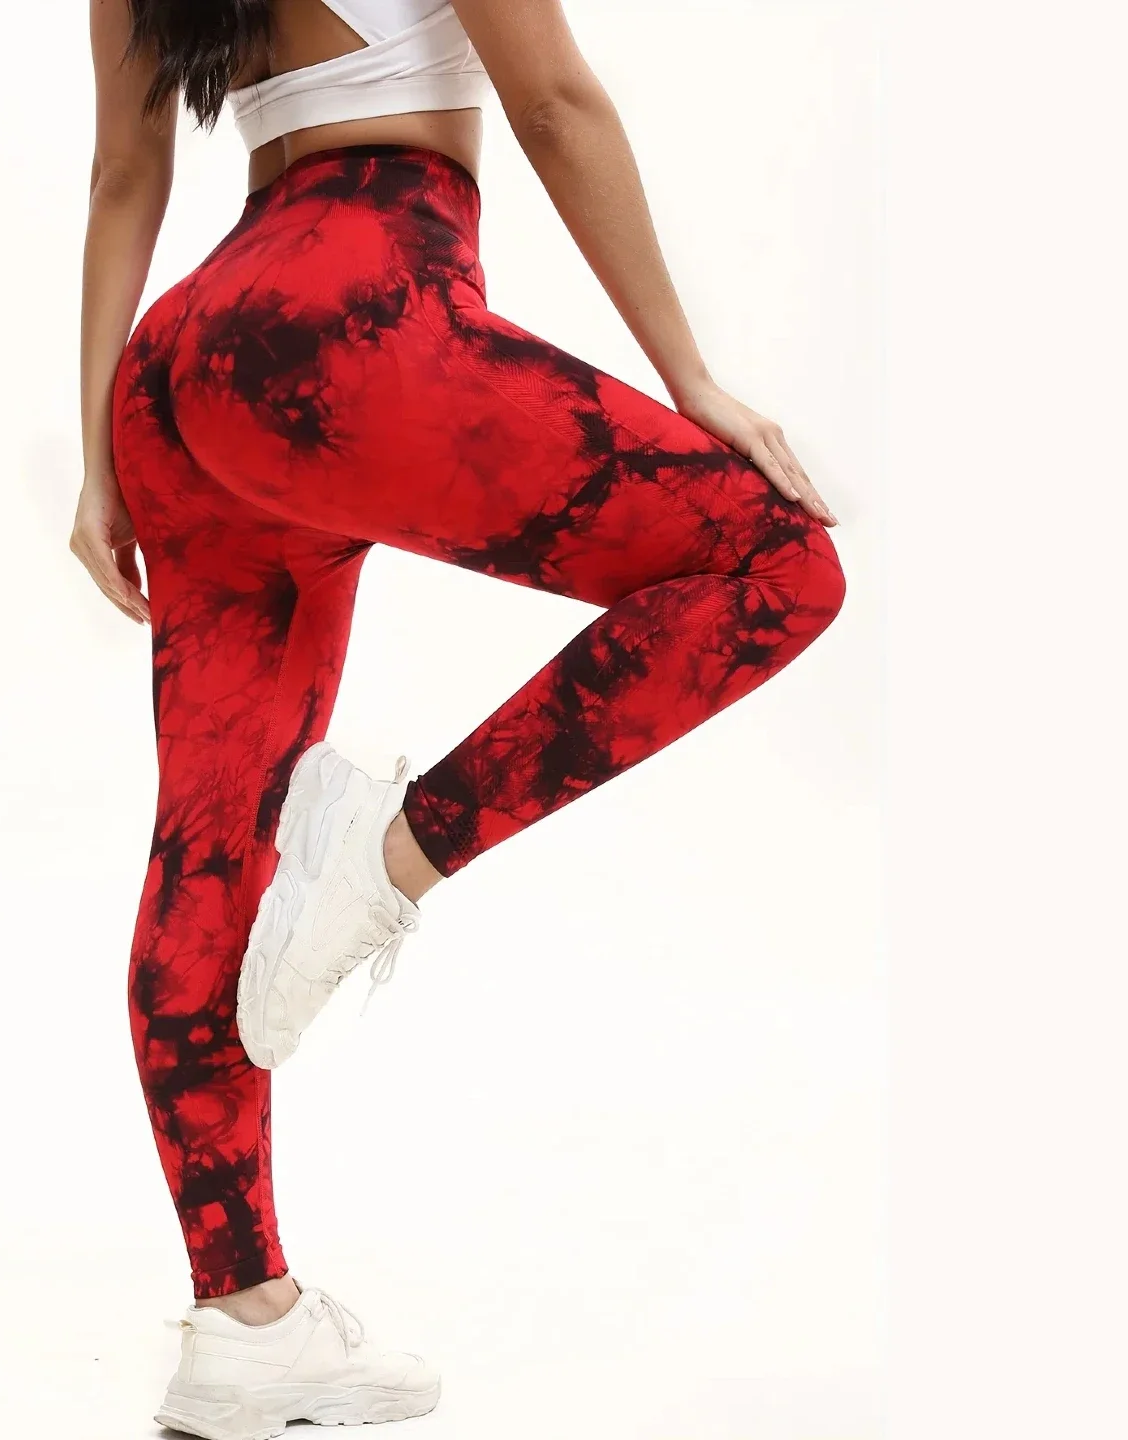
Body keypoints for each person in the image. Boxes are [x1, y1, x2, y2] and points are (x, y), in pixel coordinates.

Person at [70, 1, 846, 1433]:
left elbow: (127, 175)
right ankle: (393, 848)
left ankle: (244, 1322)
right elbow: (553, 101)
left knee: (207, 850)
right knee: (779, 563)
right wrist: (692, 379)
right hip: (354, 316)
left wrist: (97, 459)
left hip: (181, 371)